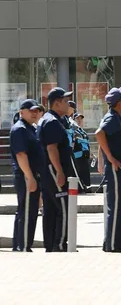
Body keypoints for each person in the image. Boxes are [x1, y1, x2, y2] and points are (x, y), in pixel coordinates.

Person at [96, 88, 121, 252]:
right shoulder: (111, 118)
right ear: (119, 103)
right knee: (116, 207)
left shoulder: (118, 118)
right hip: (115, 170)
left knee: (120, 208)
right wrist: (110, 159)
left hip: (120, 169)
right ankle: (111, 245)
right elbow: (99, 134)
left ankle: (113, 243)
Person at [38, 87, 75, 252]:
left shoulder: (50, 119)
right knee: (63, 207)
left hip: (49, 169)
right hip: (54, 169)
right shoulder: (52, 121)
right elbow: (52, 148)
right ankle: (60, 245)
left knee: (51, 209)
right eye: (66, 101)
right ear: (57, 103)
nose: (68, 104)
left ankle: (51, 245)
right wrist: (59, 171)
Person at [10, 99, 45, 252]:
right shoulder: (20, 129)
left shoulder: (30, 128)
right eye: (31, 110)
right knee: (26, 212)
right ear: (21, 112)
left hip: (31, 174)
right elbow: (21, 154)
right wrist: (30, 177)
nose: (34, 113)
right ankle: (22, 245)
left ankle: (23, 244)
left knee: (29, 211)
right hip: (26, 175)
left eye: (36, 110)